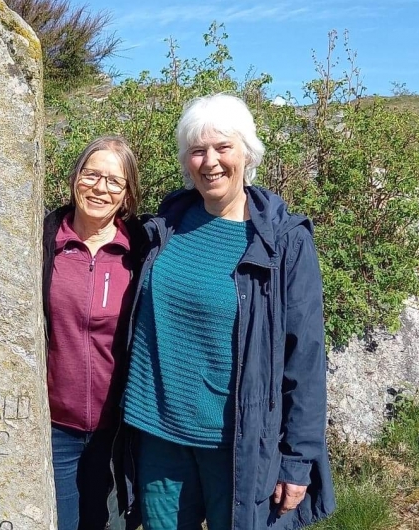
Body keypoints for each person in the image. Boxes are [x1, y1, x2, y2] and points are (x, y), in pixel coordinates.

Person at [122, 93, 336, 530]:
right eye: (198, 150)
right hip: (159, 435)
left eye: (223, 148)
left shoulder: (284, 242)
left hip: (238, 442)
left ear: (248, 153)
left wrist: (298, 459)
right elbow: (83, 244)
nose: (210, 162)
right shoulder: (163, 229)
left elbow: (305, 356)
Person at [0, 136, 144, 529]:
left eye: (114, 181)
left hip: (118, 432)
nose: (100, 188)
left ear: (128, 194)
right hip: (50, 426)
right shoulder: (40, 240)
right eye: (91, 175)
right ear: (75, 177)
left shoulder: (142, 252)